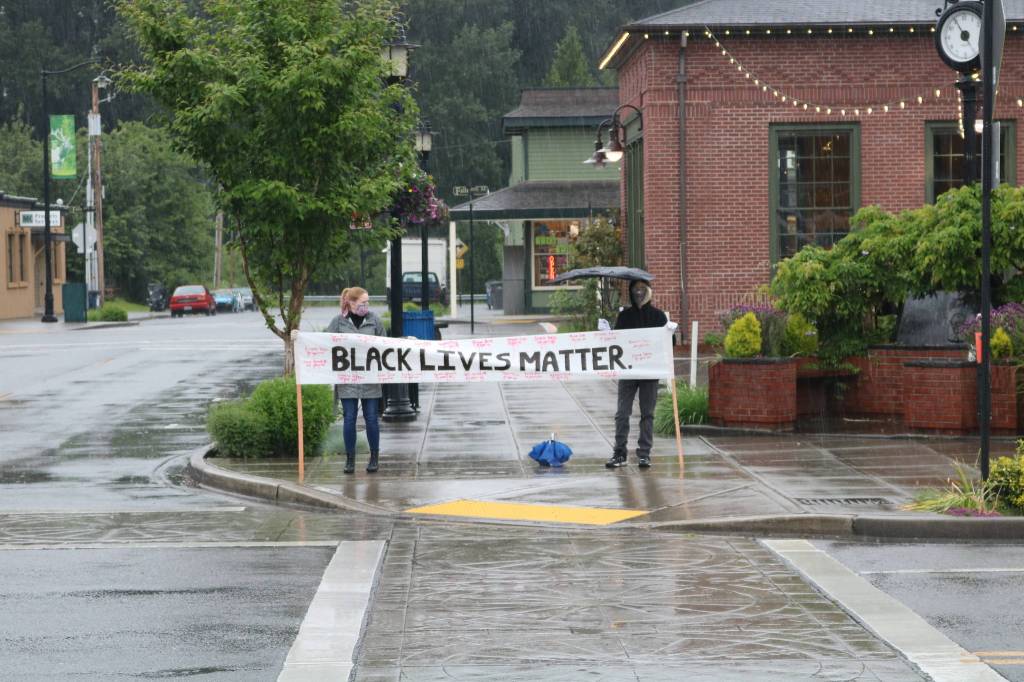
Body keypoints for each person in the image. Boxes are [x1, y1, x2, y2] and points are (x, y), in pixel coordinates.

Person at [606, 280, 667, 470]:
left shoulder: (658, 316)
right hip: (629, 370)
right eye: (635, 290)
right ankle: (619, 453)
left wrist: (670, 333)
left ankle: (644, 454)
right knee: (622, 413)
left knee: (647, 413)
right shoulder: (625, 316)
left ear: (648, 292)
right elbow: (616, 341)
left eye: (642, 289)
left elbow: (667, 343)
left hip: (649, 371)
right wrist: (606, 333)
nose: (638, 293)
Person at [327, 287, 387, 474]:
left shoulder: (374, 320)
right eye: (362, 303)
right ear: (351, 303)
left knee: (371, 419)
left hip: (369, 379)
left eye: (368, 302)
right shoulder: (338, 322)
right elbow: (324, 342)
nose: (366, 306)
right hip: (348, 380)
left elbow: (385, 344)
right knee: (349, 419)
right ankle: (350, 459)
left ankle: (374, 457)